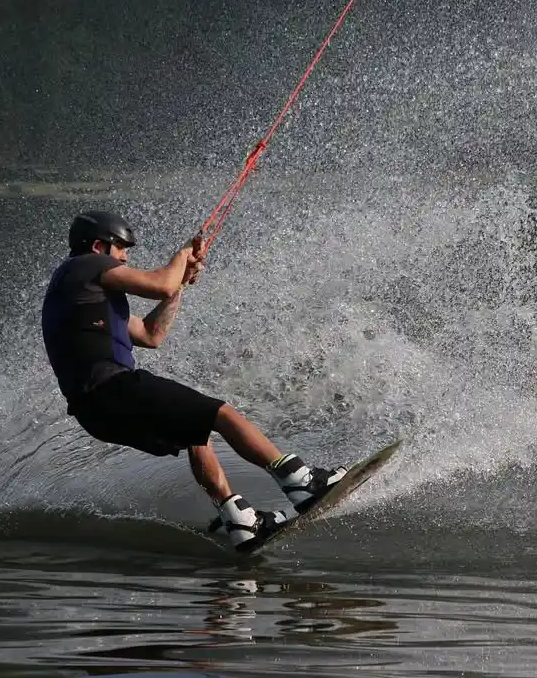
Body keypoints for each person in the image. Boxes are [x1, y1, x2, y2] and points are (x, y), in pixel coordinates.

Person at [41, 210, 346, 551]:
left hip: (95, 413)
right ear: (99, 246)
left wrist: (180, 285)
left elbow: (151, 335)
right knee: (223, 414)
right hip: (113, 390)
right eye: (121, 249)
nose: (126, 258)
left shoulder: (82, 294)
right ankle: (302, 482)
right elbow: (160, 284)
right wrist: (183, 255)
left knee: (195, 433)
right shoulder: (86, 265)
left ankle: (239, 519)